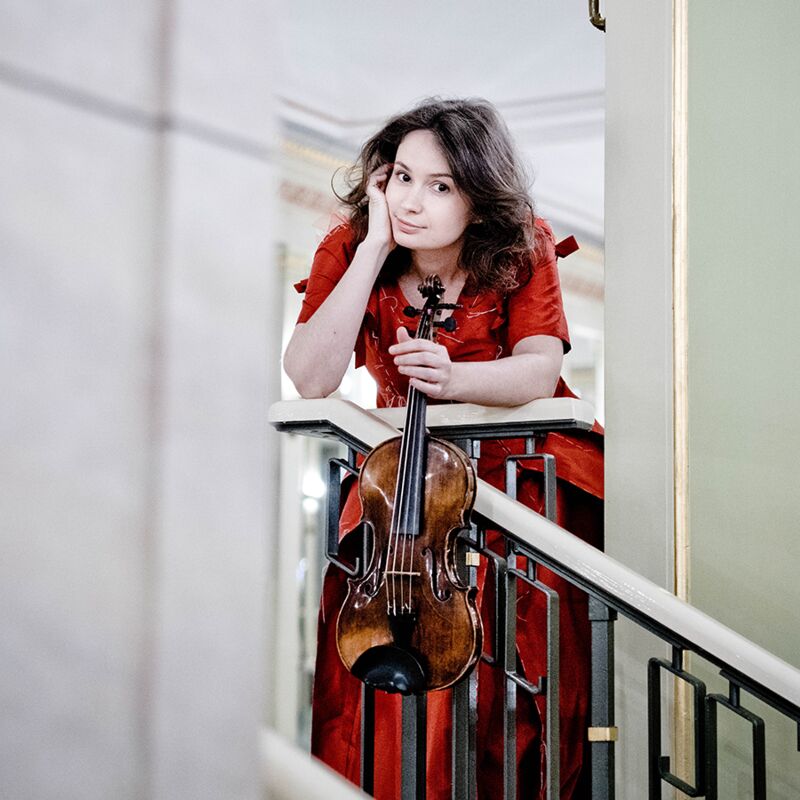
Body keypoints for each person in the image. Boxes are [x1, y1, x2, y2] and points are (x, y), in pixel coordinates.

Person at [283, 98, 603, 800]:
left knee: (514, 669)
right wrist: (370, 249)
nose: (411, 201)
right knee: (386, 649)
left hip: (519, 473)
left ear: (479, 197)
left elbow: (538, 368)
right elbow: (310, 376)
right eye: (400, 176)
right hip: (402, 490)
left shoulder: (524, 243)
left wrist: (457, 377)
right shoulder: (350, 246)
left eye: (441, 185)